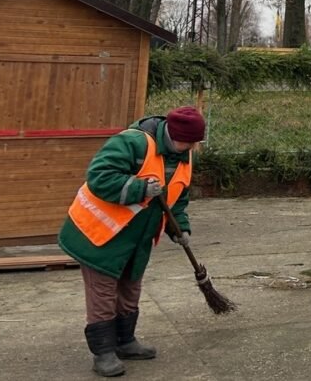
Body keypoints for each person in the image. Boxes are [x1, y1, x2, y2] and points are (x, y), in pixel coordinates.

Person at [59, 106, 205, 377]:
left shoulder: (183, 157)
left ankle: (125, 341)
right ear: (173, 135)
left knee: (130, 288)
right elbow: (99, 176)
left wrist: (180, 228)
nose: (193, 148)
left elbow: (178, 198)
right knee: (103, 294)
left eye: (196, 142)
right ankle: (103, 353)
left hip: (137, 239)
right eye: (189, 142)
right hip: (99, 234)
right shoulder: (132, 142)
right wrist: (140, 188)